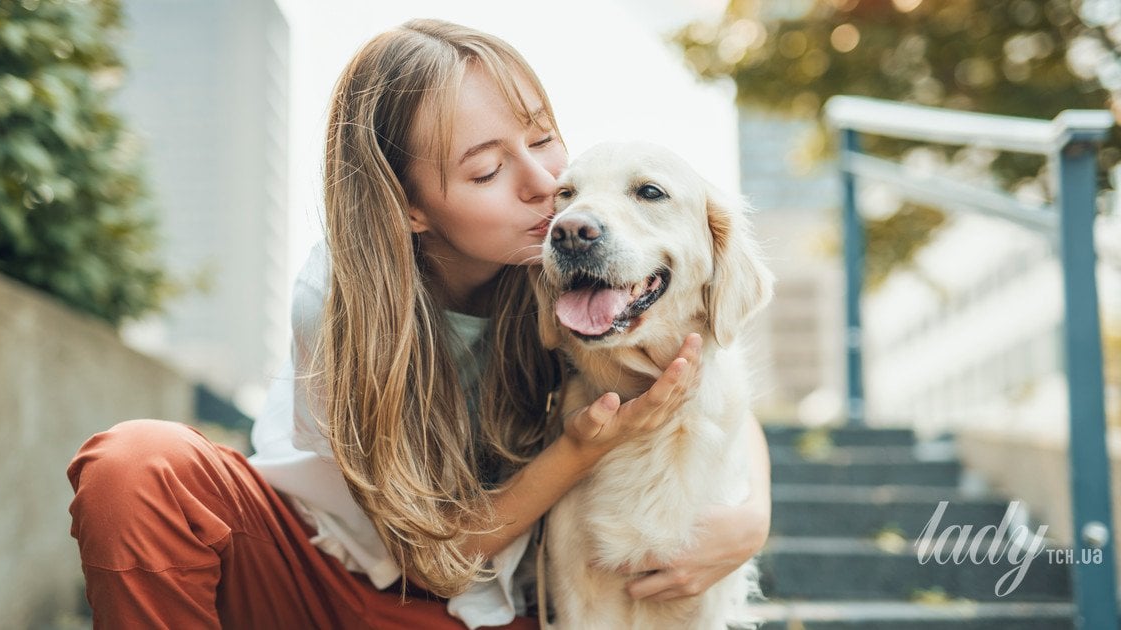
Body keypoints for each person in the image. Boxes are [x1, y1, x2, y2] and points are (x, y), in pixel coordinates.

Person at [67, 18, 772, 630]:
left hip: (487, 614)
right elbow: (433, 557)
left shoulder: (576, 273)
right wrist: (579, 450)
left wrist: (753, 515)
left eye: (542, 139)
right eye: (488, 169)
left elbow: (695, 369)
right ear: (410, 208)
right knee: (138, 464)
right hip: (315, 582)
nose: (540, 187)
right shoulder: (342, 298)